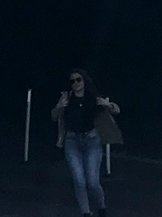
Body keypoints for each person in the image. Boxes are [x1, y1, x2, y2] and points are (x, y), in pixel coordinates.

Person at [51, 67, 121, 217]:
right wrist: (58, 107)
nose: (76, 83)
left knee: (93, 182)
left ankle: (101, 205)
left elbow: (116, 110)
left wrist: (107, 104)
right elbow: (54, 116)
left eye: (78, 79)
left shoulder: (93, 98)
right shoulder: (66, 98)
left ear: (84, 80)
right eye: (72, 81)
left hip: (91, 140)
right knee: (79, 180)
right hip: (72, 140)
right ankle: (86, 212)